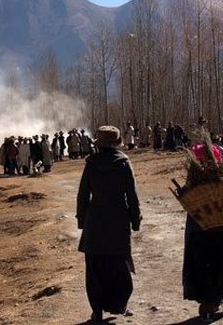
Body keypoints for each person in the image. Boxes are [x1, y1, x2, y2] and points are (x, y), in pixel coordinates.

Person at [76, 125, 142, 323]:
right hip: (118, 220)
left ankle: (97, 310)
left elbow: (82, 195)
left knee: (95, 267)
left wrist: (82, 220)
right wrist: (135, 220)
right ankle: (118, 304)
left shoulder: (91, 163)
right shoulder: (123, 163)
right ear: (117, 143)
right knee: (118, 264)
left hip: (95, 220)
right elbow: (132, 194)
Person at [182, 136, 223, 322]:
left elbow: (188, 203)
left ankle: (206, 301)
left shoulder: (193, 180)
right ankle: (214, 300)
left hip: (198, 231)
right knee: (220, 265)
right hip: (222, 230)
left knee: (201, 265)